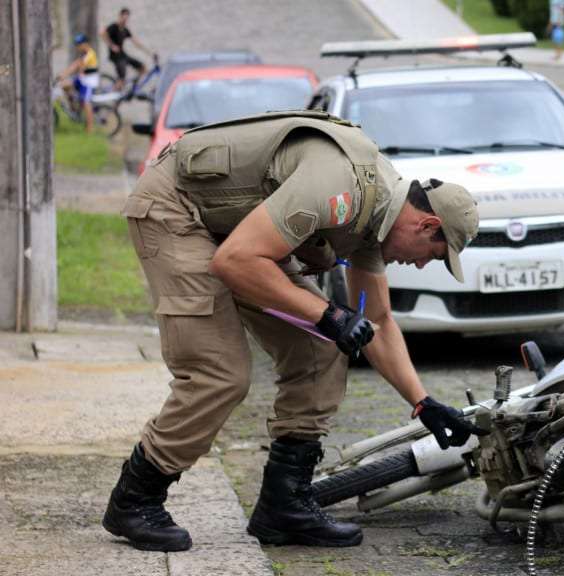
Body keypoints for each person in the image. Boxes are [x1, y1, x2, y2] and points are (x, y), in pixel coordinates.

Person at [102, 110, 486, 552]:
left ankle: (284, 507)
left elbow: (378, 319)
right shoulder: (339, 188)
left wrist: (423, 403)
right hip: (178, 209)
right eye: (432, 255)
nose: (420, 265)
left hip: (241, 231)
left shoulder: (381, 214)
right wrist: (329, 315)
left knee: (322, 352)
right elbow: (236, 263)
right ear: (426, 225)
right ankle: (136, 498)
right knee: (220, 372)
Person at [101, 7, 153, 91]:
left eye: (126, 18)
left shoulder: (125, 30)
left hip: (123, 55)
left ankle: (133, 88)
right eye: (123, 17)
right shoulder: (114, 27)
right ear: (120, 16)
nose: (125, 20)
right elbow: (102, 33)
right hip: (115, 57)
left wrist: (150, 53)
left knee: (142, 68)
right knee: (122, 80)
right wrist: (112, 45)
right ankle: (114, 94)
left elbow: (136, 43)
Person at [56, 33, 100, 133]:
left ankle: (90, 128)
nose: (78, 47)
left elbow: (79, 65)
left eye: (80, 44)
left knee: (86, 102)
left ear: (86, 44)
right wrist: (63, 74)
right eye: (77, 45)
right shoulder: (83, 54)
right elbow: (75, 64)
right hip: (81, 79)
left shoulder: (90, 54)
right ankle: (73, 108)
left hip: (89, 82)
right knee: (64, 86)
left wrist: (65, 74)